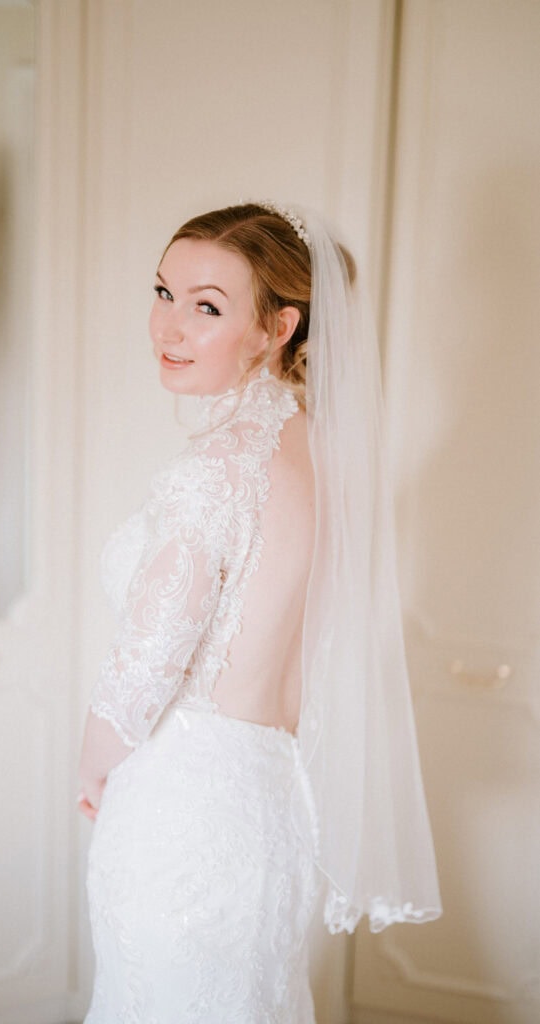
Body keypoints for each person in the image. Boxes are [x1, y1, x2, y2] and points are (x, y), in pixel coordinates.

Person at [78, 202, 442, 1023]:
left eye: (206, 307)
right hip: (274, 804)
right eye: (164, 292)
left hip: (180, 805)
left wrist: (95, 757)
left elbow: (154, 645)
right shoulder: (325, 450)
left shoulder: (217, 463)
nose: (167, 326)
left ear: (277, 326)